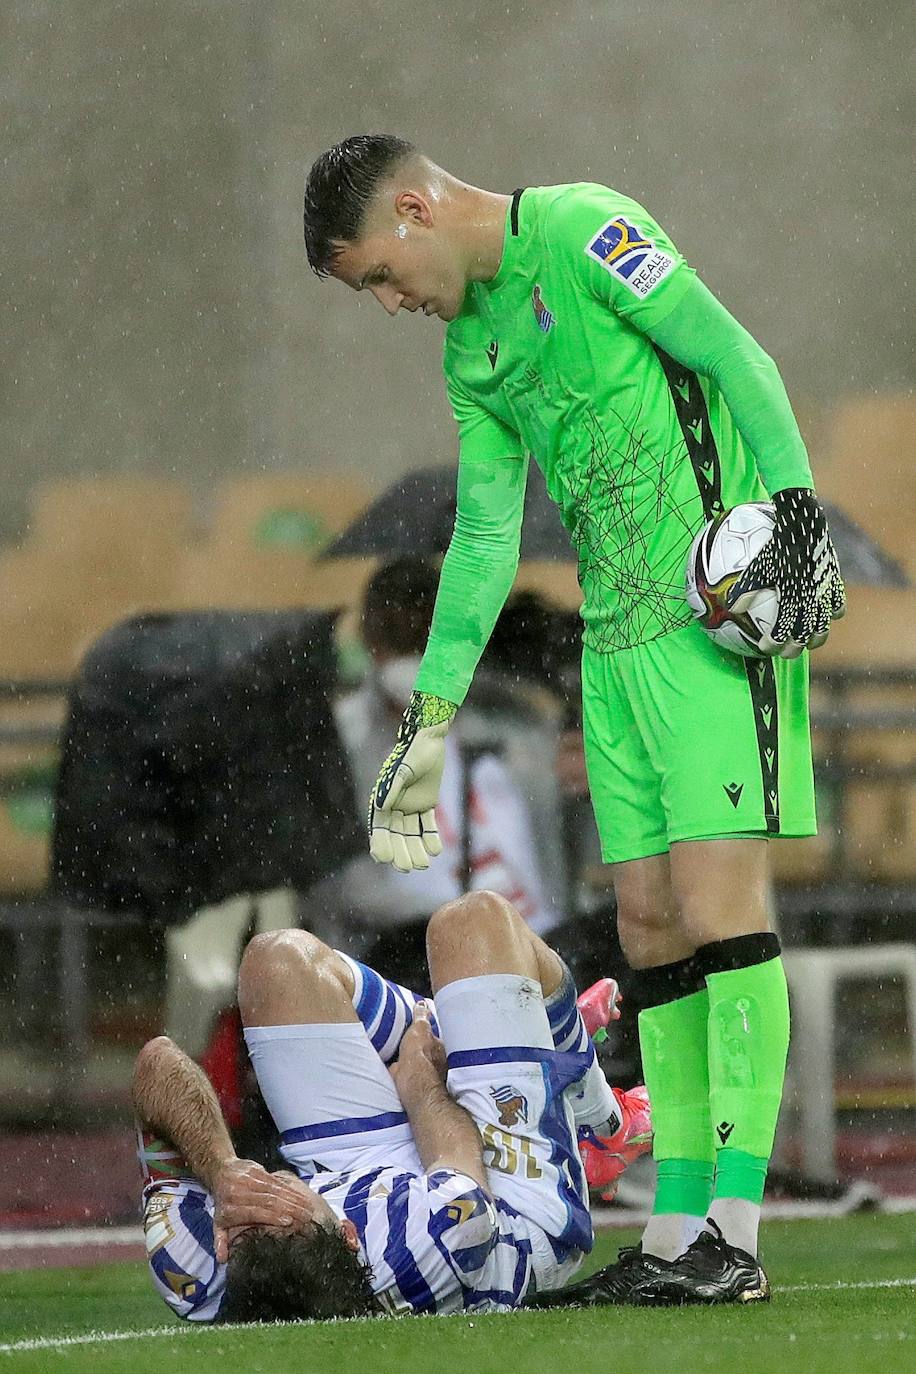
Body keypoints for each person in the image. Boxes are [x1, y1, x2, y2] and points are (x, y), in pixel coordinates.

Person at [301, 135, 846, 1304]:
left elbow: (735, 357)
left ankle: (735, 1240)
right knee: (646, 924)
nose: (393, 304)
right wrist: (428, 718)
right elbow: (487, 539)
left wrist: (795, 517)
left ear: (413, 207)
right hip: (612, 650)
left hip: (708, 624)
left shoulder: (590, 228)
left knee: (716, 910)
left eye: (381, 277)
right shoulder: (472, 353)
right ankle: (672, 1236)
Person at [133, 891, 651, 1322]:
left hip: (346, 1162)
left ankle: (528, 1043)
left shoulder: (194, 1270)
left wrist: (223, 1172)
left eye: (250, 1212)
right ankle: (599, 1117)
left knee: (277, 961)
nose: (264, 1192)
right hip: (506, 1199)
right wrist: (417, 1075)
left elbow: (157, 1066)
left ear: (226, 1253)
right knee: (472, 925)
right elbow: (452, 1138)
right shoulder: (440, 1238)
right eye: (279, 1201)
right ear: (348, 1233)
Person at [328, 556, 564, 991]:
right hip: (403, 957)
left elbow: (553, 855)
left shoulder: (512, 723)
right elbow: (340, 885)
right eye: (398, 631)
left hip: (531, 943)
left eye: (424, 629)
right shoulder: (344, 736)